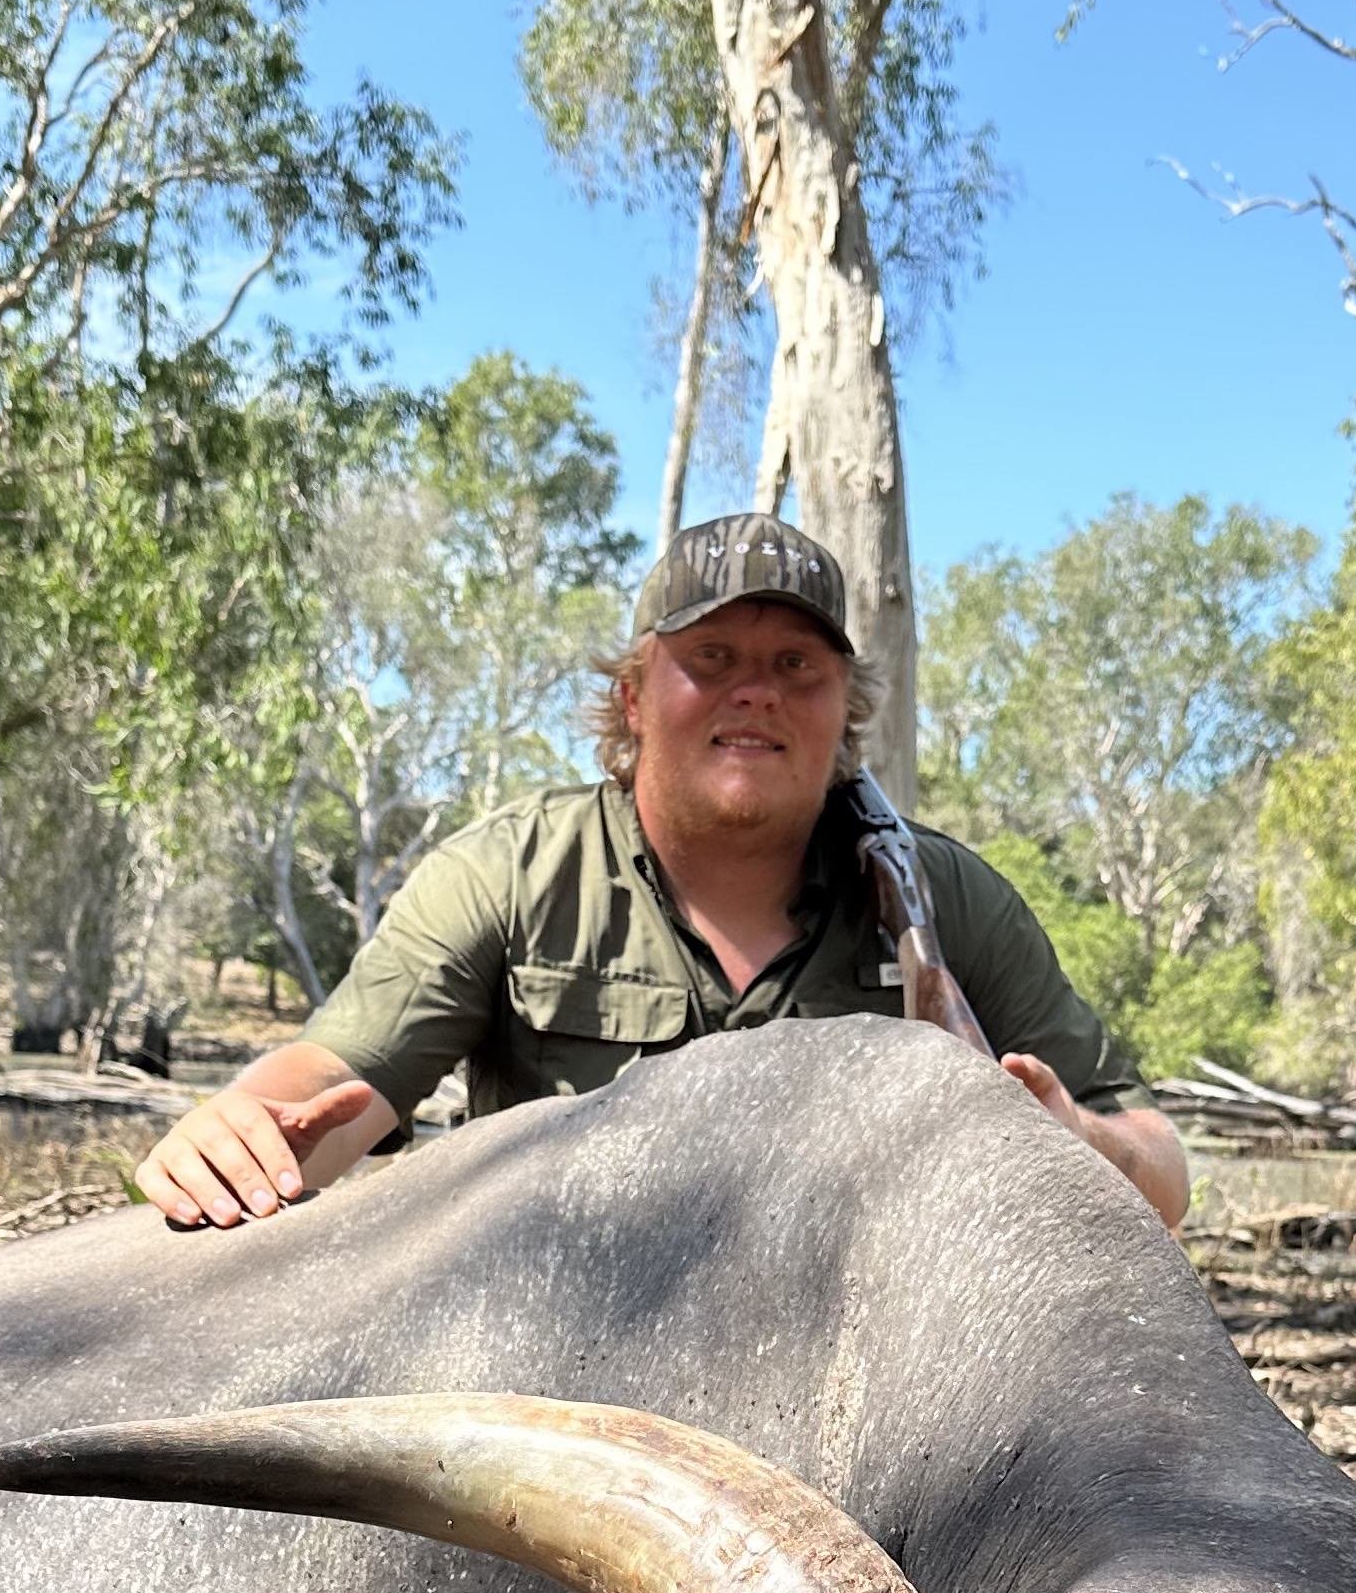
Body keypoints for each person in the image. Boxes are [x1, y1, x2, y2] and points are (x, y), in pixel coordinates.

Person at [134, 510, 1190, 1233]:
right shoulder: (514, 874)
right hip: (550, 1381)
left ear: (845, 706)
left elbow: (1162, 1170)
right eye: (713, 661)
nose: (756, 696)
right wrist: (237, 1133)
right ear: (636, 697)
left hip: (870, 1385)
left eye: (795, 668)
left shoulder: (947, 903)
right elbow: (338, 1088)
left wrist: (1080, 1141)